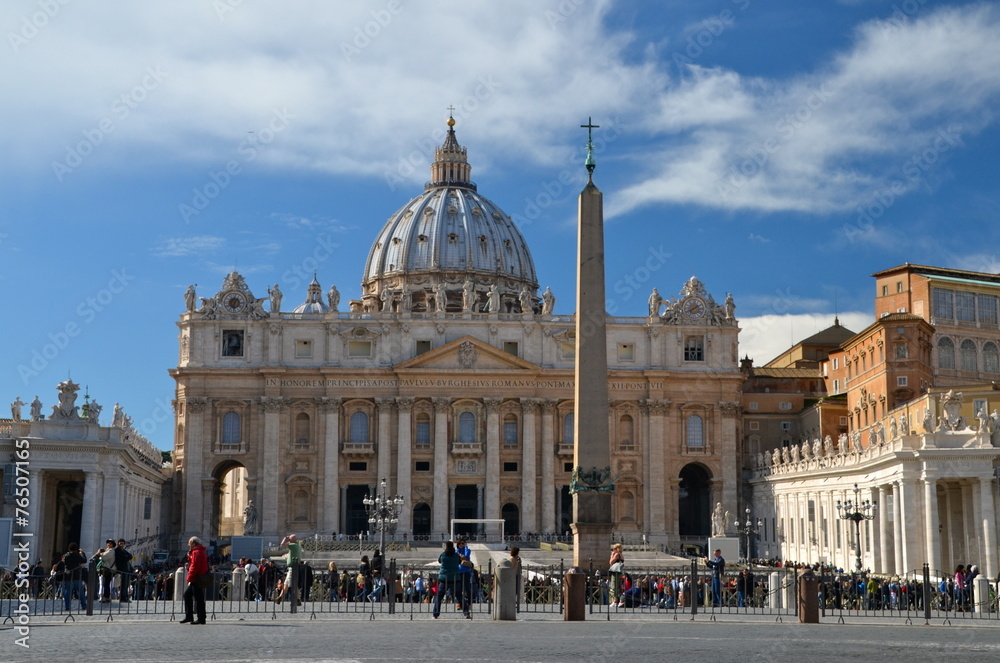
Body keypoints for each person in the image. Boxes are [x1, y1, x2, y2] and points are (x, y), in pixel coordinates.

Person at [432, 541, 469, 619]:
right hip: (455, 578)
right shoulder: (456, 555)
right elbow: (460, 562)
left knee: (439, 597)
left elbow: (439, 561)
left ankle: (435, 614)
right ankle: (466, 613)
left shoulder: (443, 555)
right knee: (459, 596)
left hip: (444, 578)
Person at [181, 536, 208, 624]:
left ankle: (201, 618)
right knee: (188, 595)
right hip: (197, 576)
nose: (188, 545)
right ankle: (190, 616)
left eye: (190, 543)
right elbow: (192, 563)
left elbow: (194, 566)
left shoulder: (197, 552)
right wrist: (190, 556)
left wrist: (190, 576)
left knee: (198, 598)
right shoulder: (197, 551)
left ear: (194, 543)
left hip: (196, 577)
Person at [274, 534, 302, 605]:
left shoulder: (293, 546)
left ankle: (280, 598)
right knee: (294, 584)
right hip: (294, 567)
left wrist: (285, 538)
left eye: (289, 540)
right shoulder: (298, 546)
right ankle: (297, 600)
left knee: (287, 583)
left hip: (292, 568)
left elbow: (282, 544)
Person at [60, 542, 88, 612]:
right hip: (76, 575)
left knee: (67, 591)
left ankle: (67, 606)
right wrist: (82, 553)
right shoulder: (77, 555)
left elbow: (63, 562)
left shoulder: (66, 555)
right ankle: (84, 605)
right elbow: (84, 560)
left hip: (68, 575)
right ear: (76, 549)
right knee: (80, 591)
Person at [455, 537, 475, 605]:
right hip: (459, 571)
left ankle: (469, 603)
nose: (461, 545)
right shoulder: (456, 551)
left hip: (466, 571)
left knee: (467, 588)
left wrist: (466, 547)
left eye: (462, 543)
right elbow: (456, 557)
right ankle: (460, 603)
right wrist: (459, 554)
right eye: (459, 543)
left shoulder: (467, 550)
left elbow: (466, 556)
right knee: (459, 589)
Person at [609, 542, 625, 607]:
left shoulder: (616, 555)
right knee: (619, 586)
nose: (613, 550)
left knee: (614, 586)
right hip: (619, 572)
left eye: (614, 549)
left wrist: (612, 555)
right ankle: (620, 601)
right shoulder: (621, 555)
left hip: (615, 572)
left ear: (616, 549)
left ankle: (616, 601)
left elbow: (610, 562)